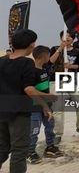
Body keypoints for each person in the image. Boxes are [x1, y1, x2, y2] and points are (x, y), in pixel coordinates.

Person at [0, 29, 54, 173]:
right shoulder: (26, 63)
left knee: (2, 149)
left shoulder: (2, 61)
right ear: (31, 45)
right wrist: (45, 103)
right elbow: (29, 89)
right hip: (19, 113)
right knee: (19, 151)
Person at [48, 31, 79, 143]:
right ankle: (58, 133)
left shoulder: (76, 52)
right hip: (55, 80)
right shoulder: (54, 48)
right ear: (61, 38)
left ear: (74, 39)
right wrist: (60, 48)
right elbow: (50, 62)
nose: (68, 37)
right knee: (58, 109)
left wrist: (70, 66)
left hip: (70, 80)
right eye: (65, 35)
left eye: (70, 36)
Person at [27, 46, 63, 165]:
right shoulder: (31, 72)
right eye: (48, 55)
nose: (49, 58)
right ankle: (30, 152)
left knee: (49, 126)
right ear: (43, 56)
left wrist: (61, 47)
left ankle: (50, 147)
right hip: (34, 107)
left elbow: (52, 60)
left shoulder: (44, 68)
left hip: (47, 105)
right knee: (34, 130)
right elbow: (31, 91)